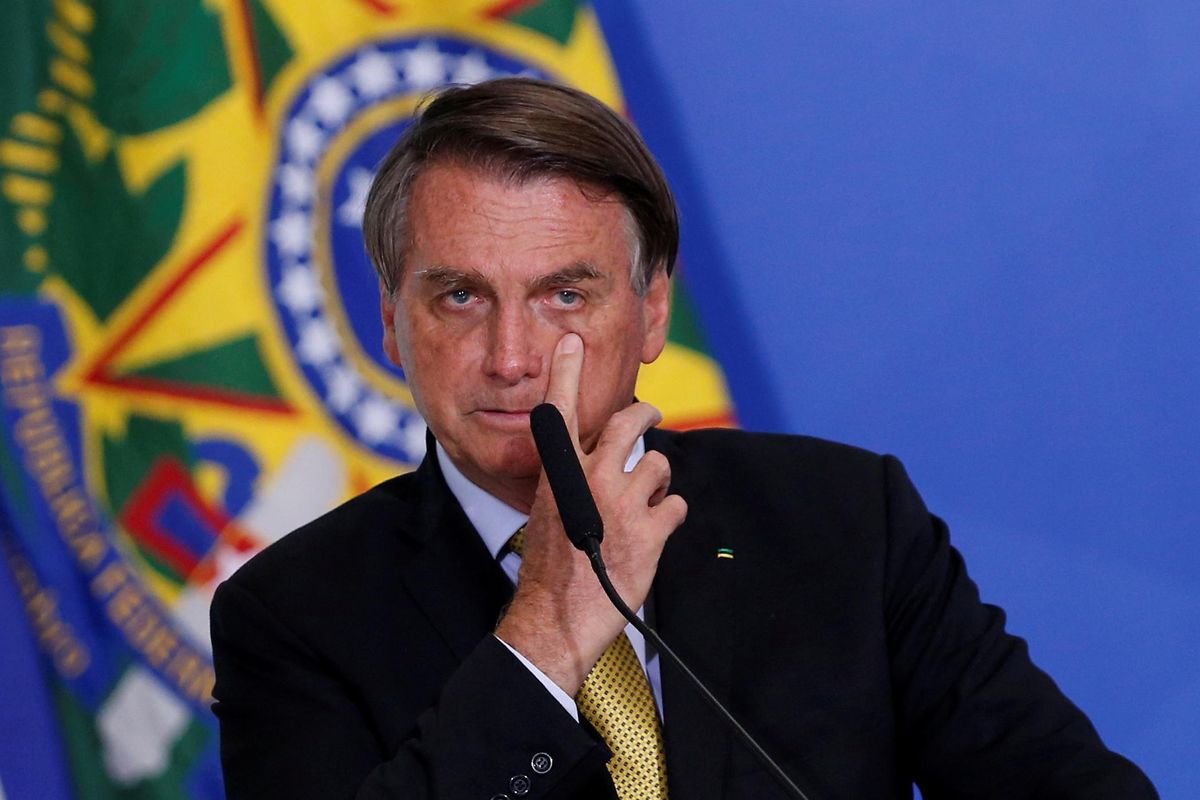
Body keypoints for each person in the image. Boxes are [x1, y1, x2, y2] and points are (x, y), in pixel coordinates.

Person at [210, 78, 1156, 799]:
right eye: (460, 297)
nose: (509, 359)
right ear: (390, 323)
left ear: (653, 312)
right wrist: (545, 631)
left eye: (563, 295)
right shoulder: (291, 617)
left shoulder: (844, 524)